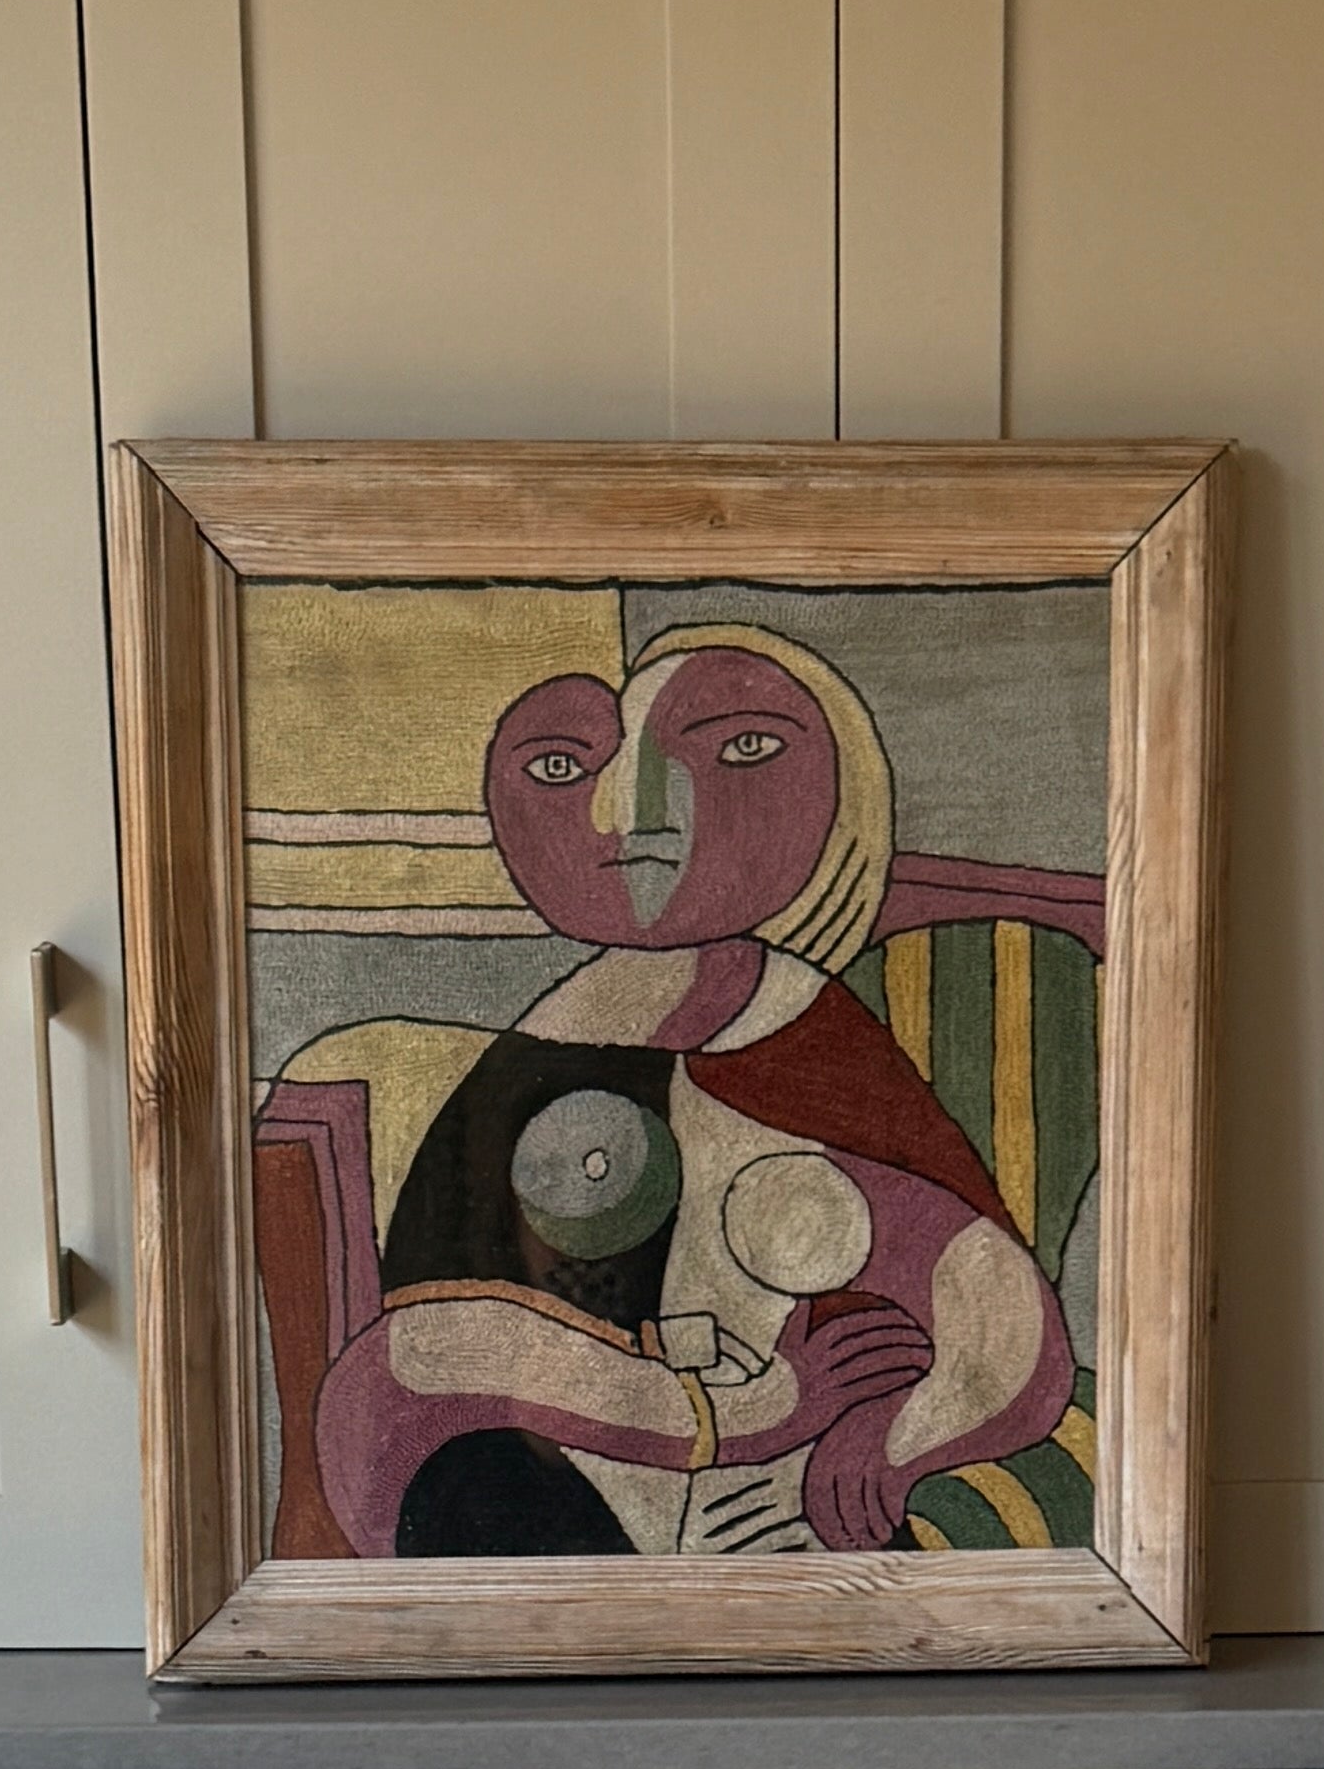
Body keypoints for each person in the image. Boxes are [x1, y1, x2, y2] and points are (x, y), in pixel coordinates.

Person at [255, 632, 1081, 1564]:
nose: (636, 816)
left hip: (771, 1528)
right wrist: (743, 1412)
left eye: (741, 749)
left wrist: (896, 1442)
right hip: (534, 1509)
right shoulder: (538, 1058)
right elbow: (419, 1360)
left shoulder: (808, 1043)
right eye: (563, 767)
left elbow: (999, 1319)